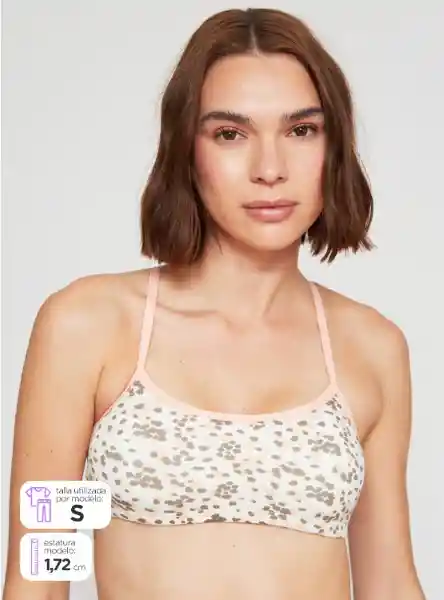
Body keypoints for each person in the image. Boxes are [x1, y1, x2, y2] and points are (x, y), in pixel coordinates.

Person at [3, 7, 426, 600]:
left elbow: (389, 584)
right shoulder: (87, 326)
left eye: (301, 130)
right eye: (230, 134)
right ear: (186, 149)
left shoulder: (372, 347)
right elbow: (40, 576)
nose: (270, 169)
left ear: (334, 147)